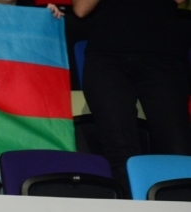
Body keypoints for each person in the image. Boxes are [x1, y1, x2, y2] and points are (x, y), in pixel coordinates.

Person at [73, 0, 191, 193]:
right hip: (108, 58)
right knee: (120, 150)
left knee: (178, 151)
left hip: (163, 59)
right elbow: (81, 8)